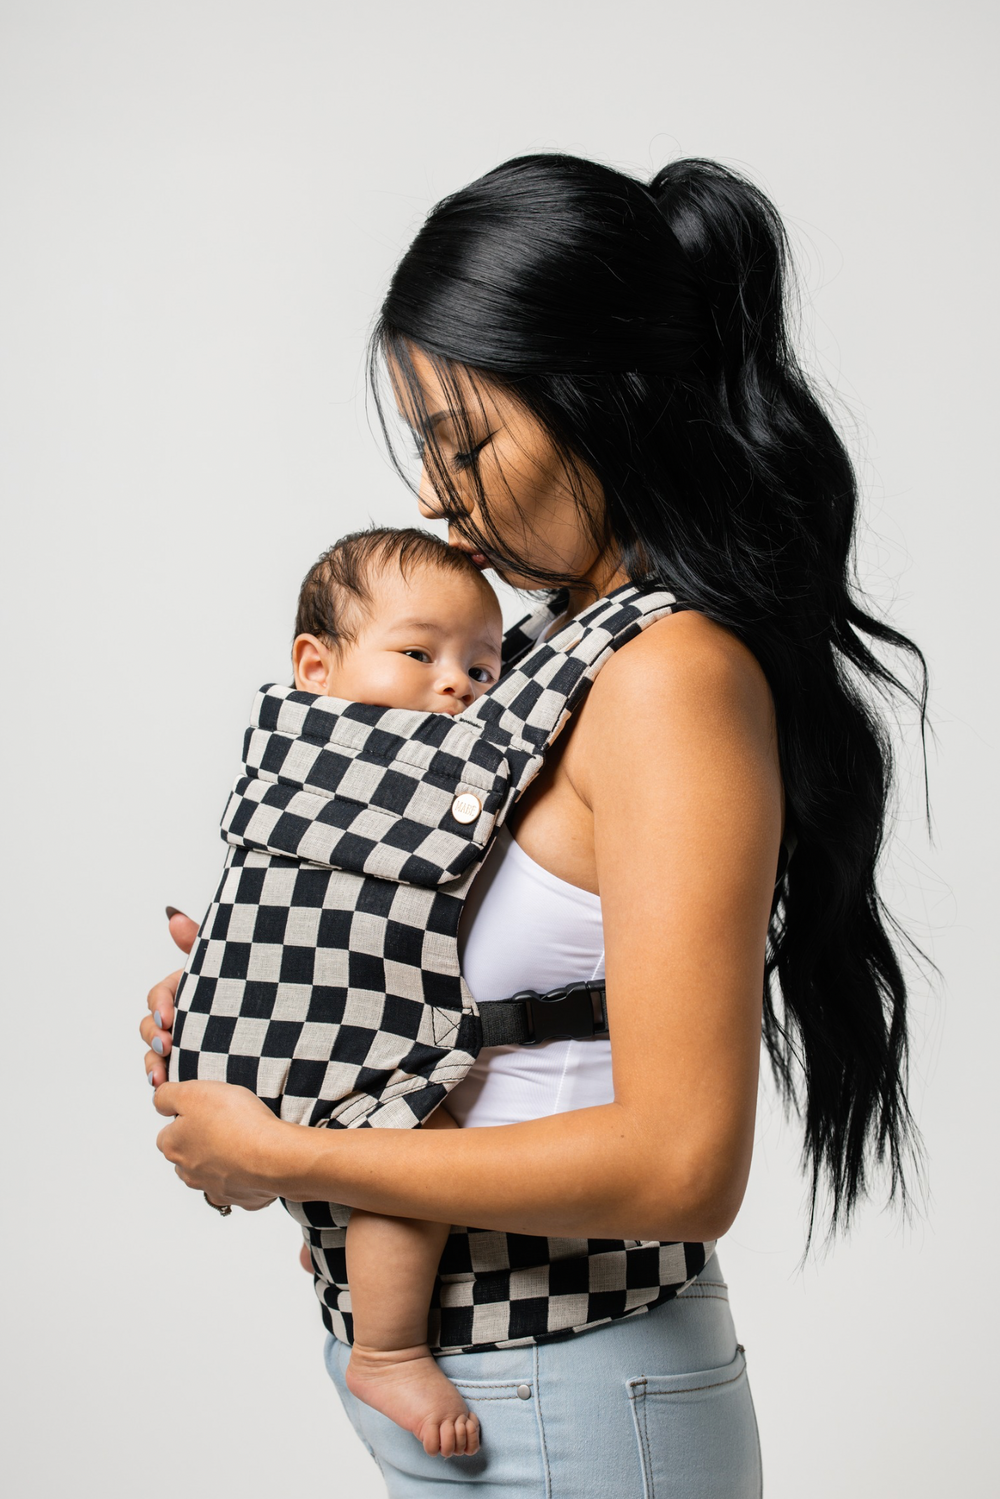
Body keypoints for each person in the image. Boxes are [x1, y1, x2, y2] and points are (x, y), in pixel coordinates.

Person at [142, 153, 924, 1496]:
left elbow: (682, 1161)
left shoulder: (668, 675)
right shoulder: (553, 647)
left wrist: (283, 1151)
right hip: (492, 1383)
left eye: (465, 440)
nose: (436, 494)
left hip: (572, 1383)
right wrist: (276, 1001)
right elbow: (475, 1003)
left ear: (602, 398)